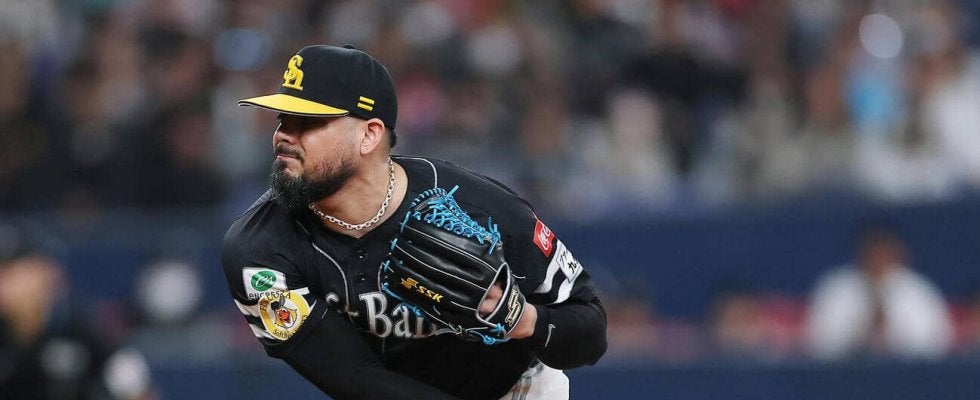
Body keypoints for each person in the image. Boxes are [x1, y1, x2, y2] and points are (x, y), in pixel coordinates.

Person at [220, 45, 607, 400]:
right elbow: (354, 378)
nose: (283, 136)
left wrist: (523, 319)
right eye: (283, 119)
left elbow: (591, 331)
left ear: (369, 135)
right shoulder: (260, 252)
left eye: (307, 121)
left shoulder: (478, 208)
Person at [0, 224, 156, 400]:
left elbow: (137, 390)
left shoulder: (88, 334)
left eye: (11, 270)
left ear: (47, 273)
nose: (3, 281)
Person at [805, 223, 954, 360]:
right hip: (845, 374)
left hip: (909, 374)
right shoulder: (836, 288)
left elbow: (937, 343)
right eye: (872, 250)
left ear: (898, 252)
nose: (877, 257)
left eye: (884, 250)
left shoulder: (918, 290)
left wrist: (892, 331)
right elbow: (817, 344)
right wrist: (860, 330)